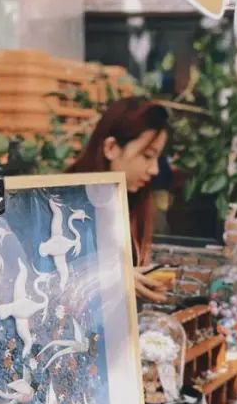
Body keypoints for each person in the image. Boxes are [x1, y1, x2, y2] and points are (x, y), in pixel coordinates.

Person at [70, 97, 171, 303]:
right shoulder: (61, 202)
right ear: (111, 147)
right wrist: (112, 280)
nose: (154, 170)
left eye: (157, 158)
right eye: (147, 156)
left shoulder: (135, 202)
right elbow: (49, 282)